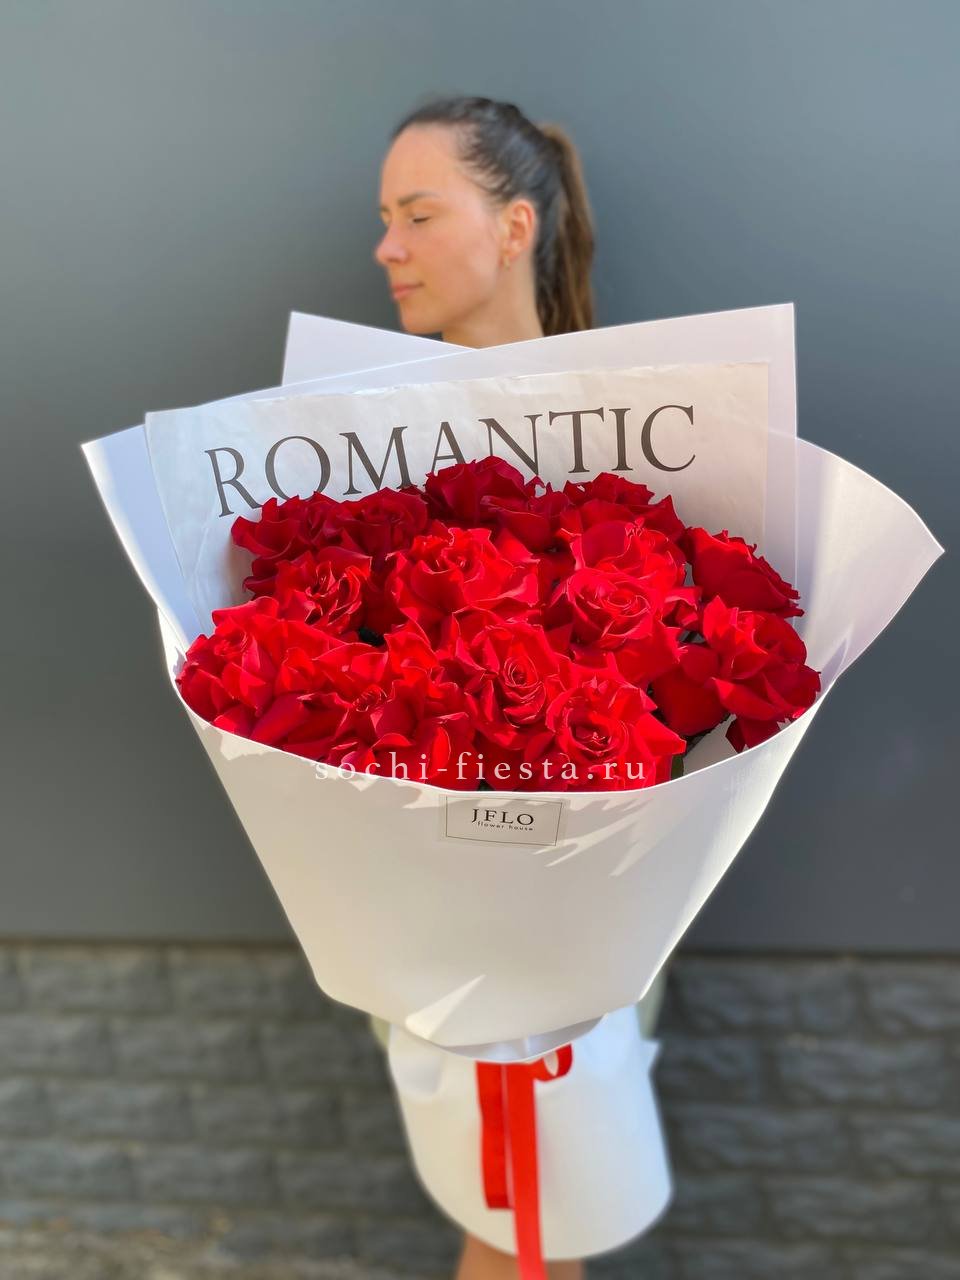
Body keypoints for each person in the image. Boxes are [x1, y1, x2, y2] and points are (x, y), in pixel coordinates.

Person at [370, 94, 668, 1280]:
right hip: (423, 890)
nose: (386, 248)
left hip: (596, 890)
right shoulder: (366, 434)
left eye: (417, 214)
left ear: (513, 228)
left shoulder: (645, 424)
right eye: (383, 219)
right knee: (509, 1205)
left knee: (534, 1207)